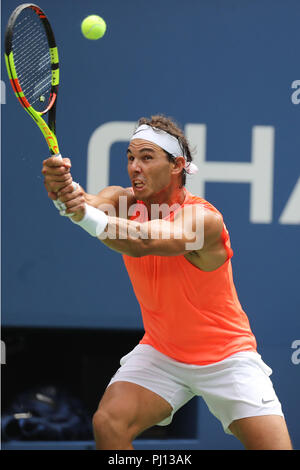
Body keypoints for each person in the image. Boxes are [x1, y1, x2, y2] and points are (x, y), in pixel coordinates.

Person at [42, 115, 293, 450]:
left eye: (147, 158)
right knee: (109, 423)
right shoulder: (122, 200)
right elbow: (86, 204)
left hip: (226, 357)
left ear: (177, 165)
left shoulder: (204, 220)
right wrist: (62, 191)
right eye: (130, 158)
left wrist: (81, 214)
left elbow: (142, 240)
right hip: (162, 352)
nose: (135, 167)